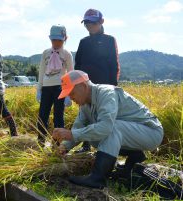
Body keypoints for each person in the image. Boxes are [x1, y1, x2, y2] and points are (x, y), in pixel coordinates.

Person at [52, 70, 163, 189]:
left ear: (83, 86)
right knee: (94, 138)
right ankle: (136, 155)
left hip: (151, 132)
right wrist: (64, 147)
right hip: (135, 135)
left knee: (109, 128)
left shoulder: (106, 93)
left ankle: (98, 178)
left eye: (72, 93)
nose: (70, 97)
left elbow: (105, 127)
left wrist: (72, 134)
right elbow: (78, 128)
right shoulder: (84, 105)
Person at [75, 8, 120, 153]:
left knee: (105, 117)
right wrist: (76, 86)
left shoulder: (109, 40)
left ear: (101, 22)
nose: (89, 25)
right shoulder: (83, 42)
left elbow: (114, 65)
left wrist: (113, 87)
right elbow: (78, 66)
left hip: (104, 87)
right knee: (86, 115)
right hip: (85, 88)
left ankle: (108, 146)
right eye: (86, 23)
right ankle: (86, 145)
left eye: (93, 22)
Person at [36, 24, 73, 145]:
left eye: (59, 40)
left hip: (60, 89)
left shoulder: (67, 54)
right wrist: (39, 89)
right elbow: (41, 72)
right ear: (50, 39)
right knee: (42, 115)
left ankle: (57, 144)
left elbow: (70, 74)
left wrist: (68, 93)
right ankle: (41, 141)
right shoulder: (45, 53)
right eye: (53, 40)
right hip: (46, 88)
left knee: (58, 117)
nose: (56, 43)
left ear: (65, 39)